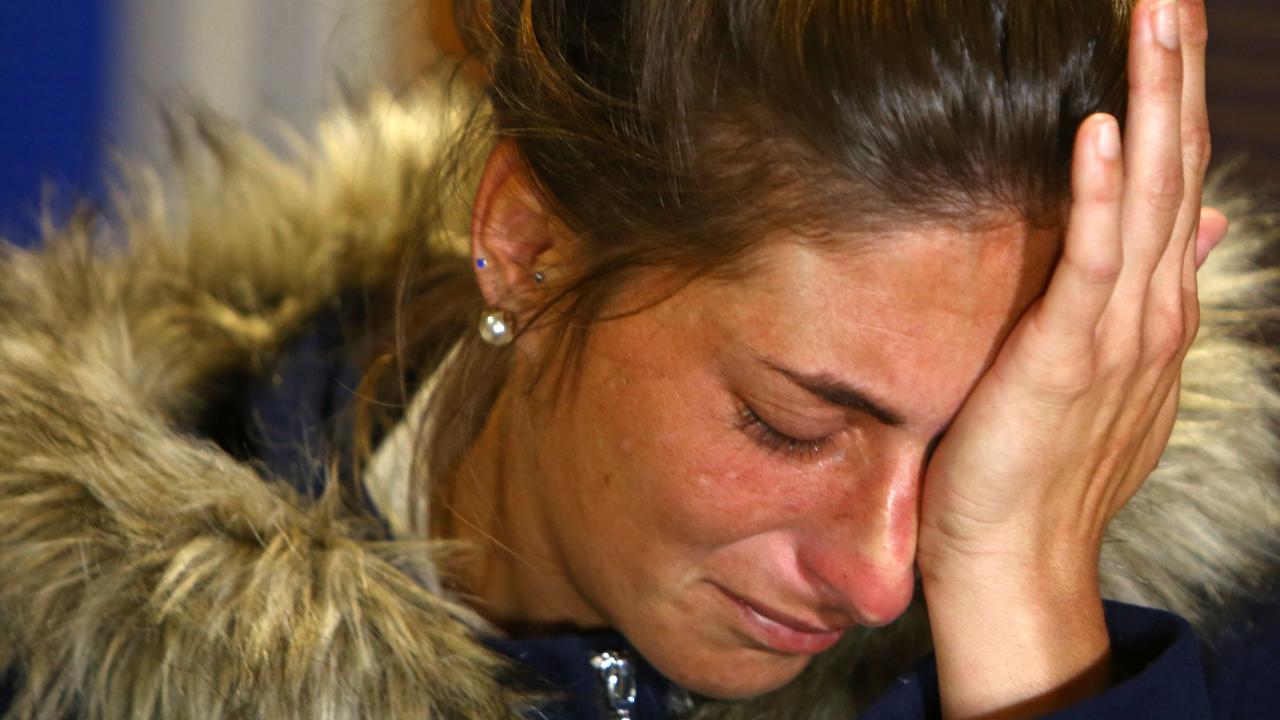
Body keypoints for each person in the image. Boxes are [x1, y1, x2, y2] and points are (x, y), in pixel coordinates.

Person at [1, 0, 1277, 717]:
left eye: (985, 437)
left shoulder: (1209, 627)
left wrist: (1027, 610)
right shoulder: (65, 661)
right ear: (525, 243)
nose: (885, 578)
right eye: (789, 426)